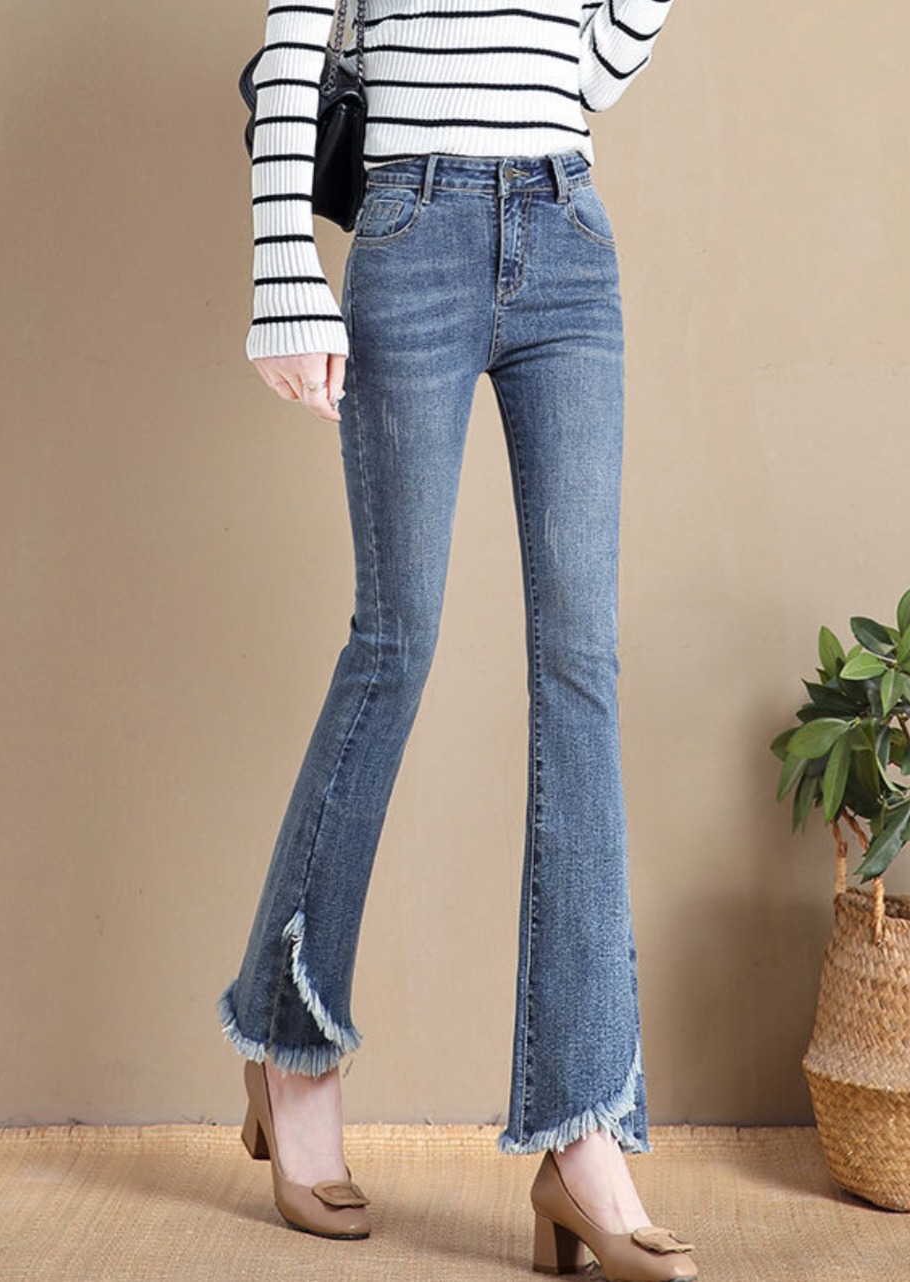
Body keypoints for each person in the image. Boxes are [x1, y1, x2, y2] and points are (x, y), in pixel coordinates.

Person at [216, 3, 694, 1278]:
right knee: (395, 642)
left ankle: (581, 1133)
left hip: (566, 227)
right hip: (412, 226)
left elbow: (587, 64)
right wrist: (283, 272)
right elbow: (294, 46)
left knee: (581, 665)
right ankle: (290, 1047)